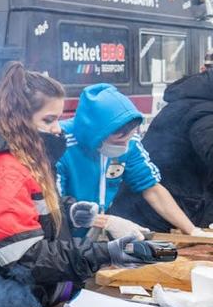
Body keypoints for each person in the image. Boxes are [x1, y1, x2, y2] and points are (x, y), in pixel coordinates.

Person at [0, 63, 163, 307]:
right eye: (48, 120)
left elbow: (28, 207)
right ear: (18, 118)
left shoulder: (17, 155)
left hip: (22, 306)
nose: (57, 129)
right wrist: (107, 252)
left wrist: (70, 211)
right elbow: (27, 259)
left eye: (59, 118)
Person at [110, 44, 213, 233]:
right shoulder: (206, 106)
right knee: (156, 258)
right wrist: (191, 230)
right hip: (158, 214)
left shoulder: (201, 96)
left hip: (175, 205)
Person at [56, 83, 196, 238]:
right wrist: (107, 222)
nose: (125, 146)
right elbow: (55, 207)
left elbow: (152, 189)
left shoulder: (130, 142)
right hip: (62, 234)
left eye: (129, 139)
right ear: (95, 134)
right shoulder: (60, 143)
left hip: (95, 232)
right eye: (118, 142)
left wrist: (192, 231)